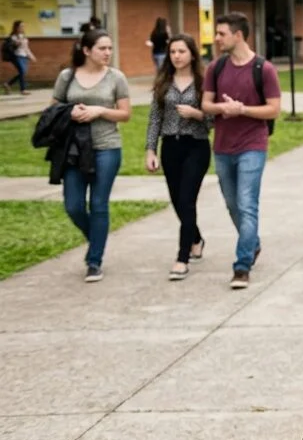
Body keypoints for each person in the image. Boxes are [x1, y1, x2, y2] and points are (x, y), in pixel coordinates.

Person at [201, 12, 281, 290]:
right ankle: (253, 243)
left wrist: (243, 109)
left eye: (221, 33)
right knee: (232, 204)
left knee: (247, 204)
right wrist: (224, 108)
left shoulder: (263, 69)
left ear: (238, 35)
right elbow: (205, 104)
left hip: (253, 145)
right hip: (222, 147)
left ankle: (242, 265)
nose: (217, 38)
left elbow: (273, 109)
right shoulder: (216, 68)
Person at [52, 29, 131, 283]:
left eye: (110, 48)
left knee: (98, 204)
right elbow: (53, 108)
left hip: (107, 147)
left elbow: (125, 114)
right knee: (73, 205)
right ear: (86, 51)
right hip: (74, 149)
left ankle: (94, 260)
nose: (107, 53)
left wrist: (99, 111)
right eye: (102, 48)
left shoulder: (116, 78)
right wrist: (70, 111)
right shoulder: (67, 76)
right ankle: (97, 239)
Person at [144, 34, 210, 280]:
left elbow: (214, 120)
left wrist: (197, 114)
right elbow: (154, 119)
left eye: (181, 51)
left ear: (192, 53)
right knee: (177, 201)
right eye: (173, 52)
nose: (177, 56)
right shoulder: (164, 82)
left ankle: (182, 258)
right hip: (170, 146)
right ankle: (195, 238)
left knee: (186, 199)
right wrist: (150, 150)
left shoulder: (204, 82)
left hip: (197, 146)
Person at [3, 20, 35, 95]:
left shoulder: (23, 36)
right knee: (22, 71)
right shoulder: (13, 37)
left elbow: (26, 48)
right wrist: (16, 44)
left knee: (22, 72)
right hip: (17, 56)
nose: (22, 27)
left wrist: (31, 56)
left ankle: (8, 84)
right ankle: (23, 90)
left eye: (23, 26)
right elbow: (11, 47)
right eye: (21, 26)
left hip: (24, 56)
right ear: (16, 27)